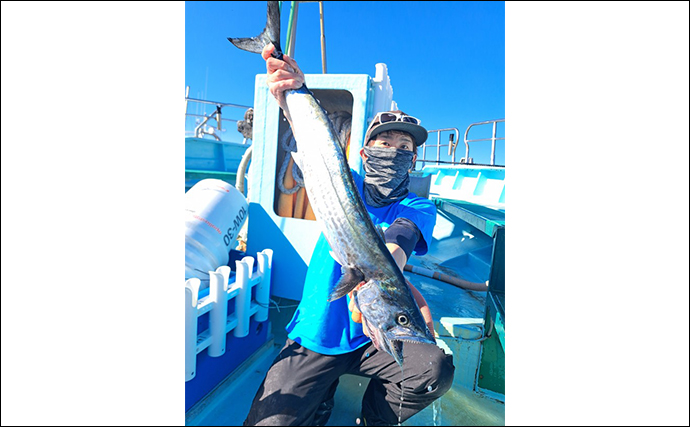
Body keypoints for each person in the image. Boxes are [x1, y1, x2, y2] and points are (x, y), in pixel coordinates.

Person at [243, 43, 455, 426]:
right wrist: (289, 97)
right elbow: (314, 150)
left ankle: (372, 420)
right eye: (385, 143)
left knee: (433, 370)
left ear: (413, 159)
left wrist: (392, 295)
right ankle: (322, 397)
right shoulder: (346, 184)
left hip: (369, 338)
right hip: (317, 332)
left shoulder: (418, 208)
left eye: (404, 147)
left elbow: (398, 245)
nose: (394, 151)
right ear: (364, 153)